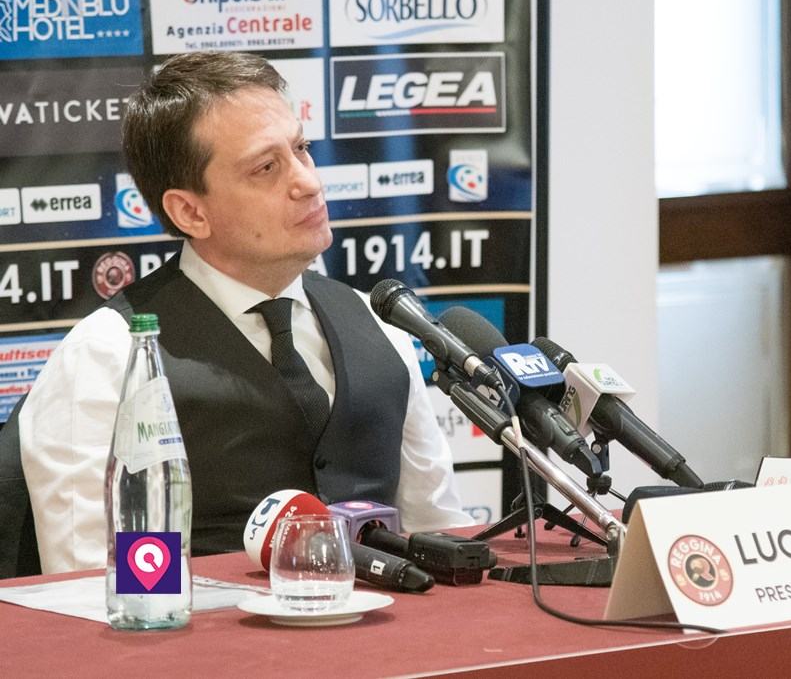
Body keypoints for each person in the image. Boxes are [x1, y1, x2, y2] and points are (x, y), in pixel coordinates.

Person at [14, 51, 472, 574]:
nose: (309, 182)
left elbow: (440, 534)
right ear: (190, 211)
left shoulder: (379, 323)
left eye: (301, 149)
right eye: (266, 167)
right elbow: (87, 582)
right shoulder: (108, 355)